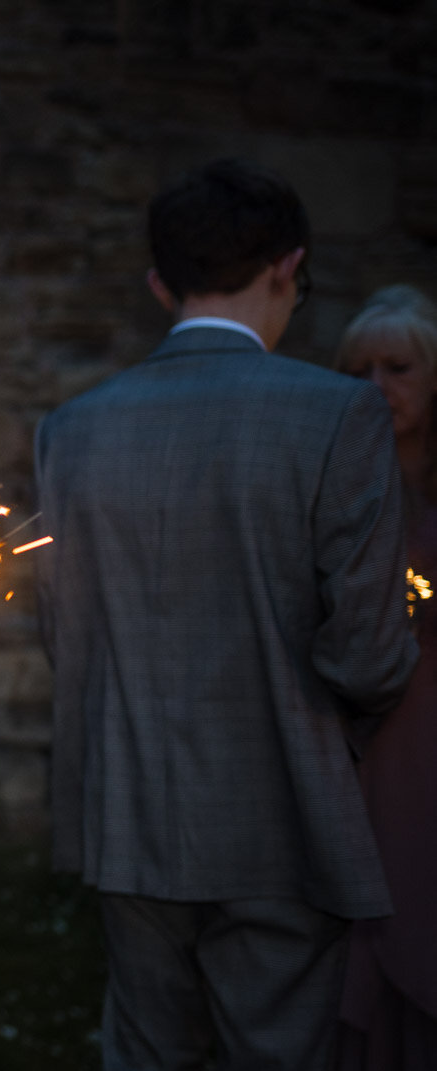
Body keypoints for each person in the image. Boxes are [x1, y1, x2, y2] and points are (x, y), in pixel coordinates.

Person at [33, 158, 418, 1071]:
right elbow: (367, 652)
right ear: (289, 266)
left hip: (127, 808)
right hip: (282, 807)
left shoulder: (74, 426)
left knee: (144, 1048)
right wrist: (349, 741)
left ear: (161, 282)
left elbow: (65, 633)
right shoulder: (341, 416)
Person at [334, 286, 437, 1070]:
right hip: (359, 732)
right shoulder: (337, 484)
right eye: (359, 369)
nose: (377, 387)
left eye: (397, 367)